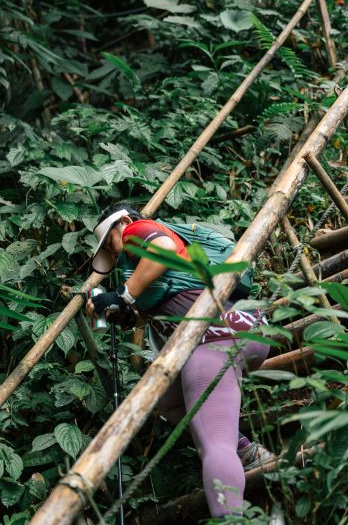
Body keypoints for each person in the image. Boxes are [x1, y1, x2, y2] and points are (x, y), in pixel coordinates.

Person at [86, 202, 274, 518]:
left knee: (214, 444)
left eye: (109, 242)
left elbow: (163, 248)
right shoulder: (139, 264)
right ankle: (245, 450)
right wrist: (125, 312)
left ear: (124, 222)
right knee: (168, 402)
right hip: (235, 330)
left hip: (212, 334)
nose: (113, 252)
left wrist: (123, 295)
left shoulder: (137, 230)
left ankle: (230, 518)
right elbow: (161, 304)